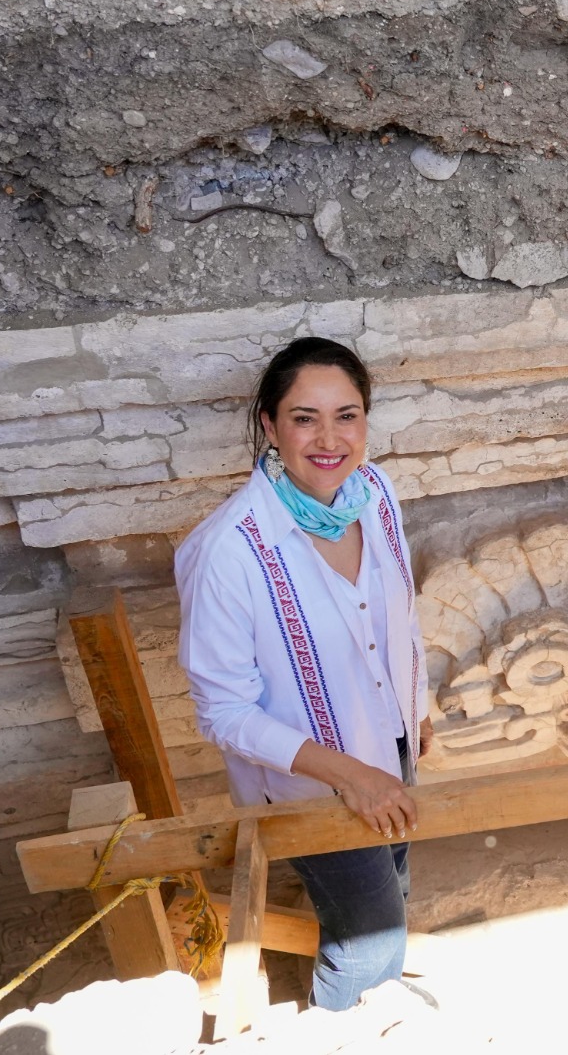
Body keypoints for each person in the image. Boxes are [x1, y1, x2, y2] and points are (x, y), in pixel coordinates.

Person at [176, 337, 432, 1009]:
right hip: (313, 783)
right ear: (269, 424)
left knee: (391, 884)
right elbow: (224, 713)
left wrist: (419, 708)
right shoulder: (230, 551)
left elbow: (400, 615)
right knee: (369, 941)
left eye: (346, 416)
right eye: (304, 417)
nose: (329, 439)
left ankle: (380, 994)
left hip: (392, 740)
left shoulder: (373, 493)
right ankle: (351, 1019)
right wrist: (353, 776)